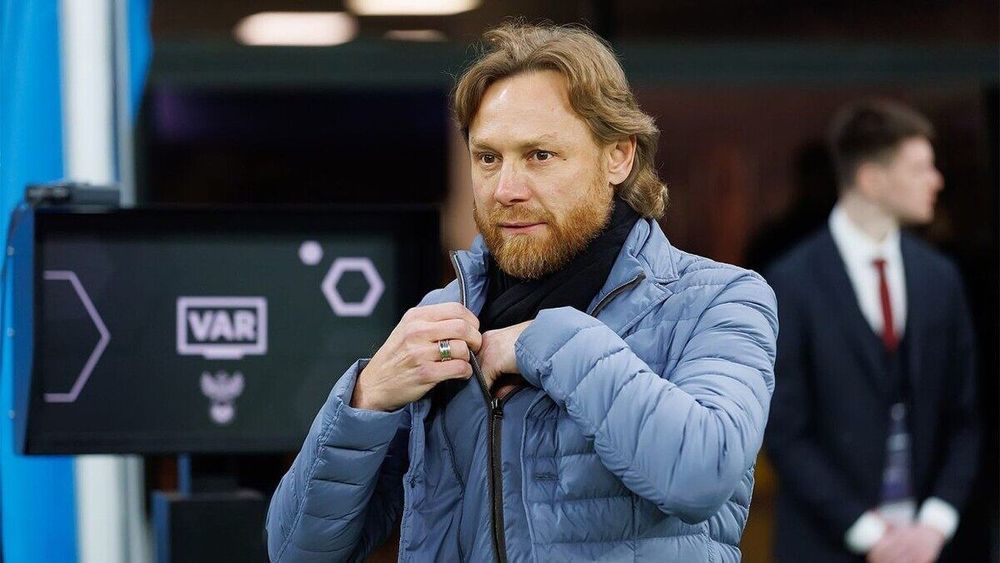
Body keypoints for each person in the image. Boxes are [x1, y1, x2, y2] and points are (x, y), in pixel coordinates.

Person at [266, 22, 778, 562]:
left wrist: (545, 341)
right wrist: (366, 398)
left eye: (539, 155)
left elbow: (701, 474)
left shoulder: (717, 300)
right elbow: (296, 551)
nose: (506, 190)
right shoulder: (445, 319)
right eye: (488, 158)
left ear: (618, 157)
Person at [766, 99, 980, 563]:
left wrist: (935, 524)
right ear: (871, 179)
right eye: (920, 168)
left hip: (934, 546)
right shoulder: (790, 282)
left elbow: (966, 417)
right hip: (823, 546)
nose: (937, 180)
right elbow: (784, 430)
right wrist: (868, 534)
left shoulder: (940, 278)